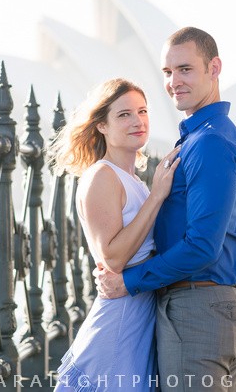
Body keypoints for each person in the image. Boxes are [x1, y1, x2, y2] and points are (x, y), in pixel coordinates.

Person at [96, 27, 236, 391]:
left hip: (198, 310)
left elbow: (202, 245)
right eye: (167, 72)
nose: (173, 81)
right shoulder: (205, 136)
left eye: (185, 69)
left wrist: (128, 282)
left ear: (214, 68)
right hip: (209, 305)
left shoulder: (210, 141)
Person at [49, 77, 181, 391]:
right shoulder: (102, 176)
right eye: (124, 114)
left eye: (142, 111)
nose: (138, 121)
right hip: (120, 322)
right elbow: (113, 258)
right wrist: (157, 196)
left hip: (139, 318)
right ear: (102, 126)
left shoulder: (133, 180)